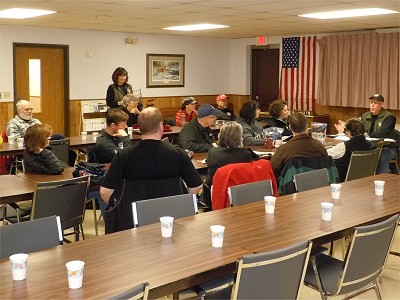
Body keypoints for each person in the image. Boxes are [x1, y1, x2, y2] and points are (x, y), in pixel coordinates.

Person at [100, 107, 203, 231]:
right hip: (172, 221)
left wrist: (121, 206)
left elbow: (105, 192)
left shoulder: (123, 156)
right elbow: (196, 187)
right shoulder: (178, 154)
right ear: (160, 126)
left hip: (131, 222)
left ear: (139, 127)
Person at [335, 93, 397, 173]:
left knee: (381, 156)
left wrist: (367, 135)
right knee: (351, 152)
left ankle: (383, 178)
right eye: (371, 103)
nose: (372, 105)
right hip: (369, 145)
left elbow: (385, 133)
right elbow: (357, 130)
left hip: (388, 147)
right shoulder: (365, 116)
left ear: (382, 104)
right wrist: (344, 130)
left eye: (376, 103)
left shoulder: (389, 117)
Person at [203, 121, 254, 208]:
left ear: (220, 136)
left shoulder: (212, 152)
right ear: (239, 138)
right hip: (239, 195)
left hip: (215, 195)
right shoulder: (245, 154)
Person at [270, 112, 327, 178]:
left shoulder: (283, 150)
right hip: (319, 184)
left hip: (290, 185)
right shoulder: (319, 146)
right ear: (307, 126)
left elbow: (272, 169)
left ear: (290, 127)